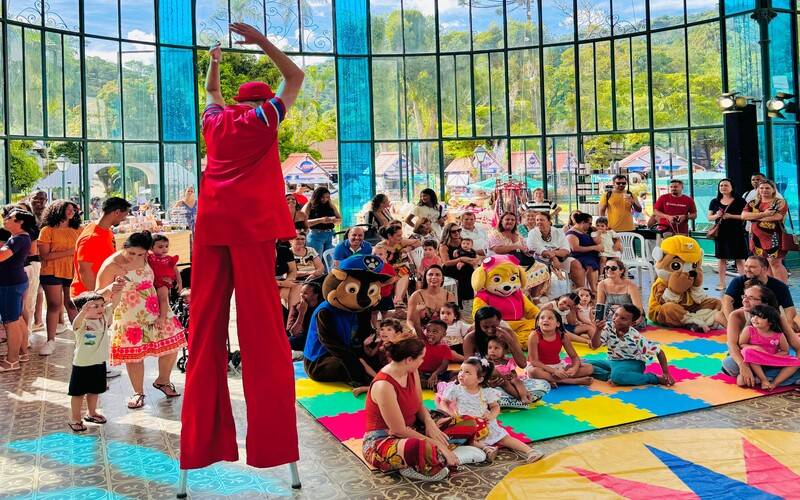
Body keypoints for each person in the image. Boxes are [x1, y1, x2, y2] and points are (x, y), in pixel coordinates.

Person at [179, 22, 304, 471]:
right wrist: (262, 43)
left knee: (205, 327)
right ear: (263, 97)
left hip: (211, 229)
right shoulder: (263, 118)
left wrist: (213, 63)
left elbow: (211, 96)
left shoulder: (218, 121)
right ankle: (272, 448)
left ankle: (201, 446)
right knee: (262, 330)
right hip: (251, 231)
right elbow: (296, 78)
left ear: (238, 99)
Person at [362, 337, 484, 481]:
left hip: (415, 429)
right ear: (409, 359)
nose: (423, 361)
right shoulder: (384, 385)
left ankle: (435, 459)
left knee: (469, 423)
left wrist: (429, 423)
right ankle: (443, 455)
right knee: (419, 447)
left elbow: (419, 403)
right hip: (385, 440)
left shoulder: (411, 371)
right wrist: (438, 443)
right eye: (421, 358)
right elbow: (398, 430)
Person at [97, 231, 186, 407]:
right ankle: (138, 392)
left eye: (140, 254)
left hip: (156, 308)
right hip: (128, 314)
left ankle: (163, 380)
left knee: (172, 346)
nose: (135, 257)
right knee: (134, 356)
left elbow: (163, 275)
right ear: (124, 246)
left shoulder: (150, 259)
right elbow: (97, 294)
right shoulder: (111, 265)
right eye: (131, 253)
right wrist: (111, 288)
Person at [438, 357, 544, 463]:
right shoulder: (456, 389)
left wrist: (491, 416)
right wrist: (450, 414)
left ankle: (530, 451)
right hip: (464, 423)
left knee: (504, 438)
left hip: (484, 423)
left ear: (479, 379)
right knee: (466, 439)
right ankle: (487, 448)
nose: (461, 374)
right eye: (461, 370)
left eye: (467, 372)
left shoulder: (486, 392)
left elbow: (495, 407)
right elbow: (444, 402)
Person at [720, 283, 800, 387]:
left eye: (751, 298)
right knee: (729, 364)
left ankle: (767, 379)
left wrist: (795, 363)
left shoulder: (775, 317)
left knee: (795, 362)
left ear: (764, 303)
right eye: (744, 296)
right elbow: (733, 345)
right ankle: (776, 378)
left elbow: (796, 345)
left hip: (772, 358)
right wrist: (743, 366)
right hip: (749, 359)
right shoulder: (736, 315)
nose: (745, 300)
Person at [67, 287, 124, 431]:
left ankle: (91, 413)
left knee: (94, 390)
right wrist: (83, 312)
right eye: (95, 306)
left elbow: (115, 302)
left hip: (99, 362)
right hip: (82, 364)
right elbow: (75, 324)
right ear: (83, 309)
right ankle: (75, 418)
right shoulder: (82, 324)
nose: (101, 308)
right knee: (78, 393)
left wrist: (118, 289)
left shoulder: (103, 318)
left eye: (102, 305)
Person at [588, 304, 675, 386]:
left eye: (623, 319)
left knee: (617, 376)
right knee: (583, 363)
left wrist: (666, 373)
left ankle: (653, 378)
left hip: (633, 363)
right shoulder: (608, 327)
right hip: (613, 361)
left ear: (632, 323)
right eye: (616, 315)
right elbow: (595, 345)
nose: (616, 319)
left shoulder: (635, 337)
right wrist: (598, 330)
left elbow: (659, 352)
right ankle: (611, 377)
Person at [38, 200, 82, 356]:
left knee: (72, 304)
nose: (71, 212)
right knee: (54, 305)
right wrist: (70, 252)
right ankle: (50, 340)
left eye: (73, 209)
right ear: (58, 210)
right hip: (51, 271)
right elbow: (45, 255)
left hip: (72, 271)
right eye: (67, 209)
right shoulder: (47, 230)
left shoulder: (78, 230)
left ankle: (80, 340)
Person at [0, 208, 37, 372]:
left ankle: (12, 360)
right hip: (16, 281)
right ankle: (22, 353)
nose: (6, 219)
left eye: (10, 218)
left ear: (20, 222)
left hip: (10, 283)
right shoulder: (21, 238)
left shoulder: (17, 239)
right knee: (17, 318)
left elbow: (2, 256)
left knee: (11, 321)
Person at [721, 256, 797, 330]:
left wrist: (790, 326)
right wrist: (731, 323)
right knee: (720, 315)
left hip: (768, 319)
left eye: (752, 267)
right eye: (746, 266)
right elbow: (726, 301)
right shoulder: (738, 281)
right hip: (743, 317)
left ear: (764, 269)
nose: (747, 269)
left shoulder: (780, 286)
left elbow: (789, 309)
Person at [737, 304, 800, 391]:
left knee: (797, 362)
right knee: (747, 353)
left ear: (770, 322)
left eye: (760, 317)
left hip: (771, 359)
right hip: (754, 361)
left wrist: (773, 356)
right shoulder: (749, 330)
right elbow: (742, 344)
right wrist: (755, 348)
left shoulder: (778, 335)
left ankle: (774, 383)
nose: (754, 319)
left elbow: (785, 351)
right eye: (753, 316)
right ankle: (764, 380)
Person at [525, 309, 594, 386]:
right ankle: (571, 381)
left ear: (558, 324)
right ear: (538, 323)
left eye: (550, 318)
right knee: (533, 372)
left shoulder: (562, 336)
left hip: (558, 366)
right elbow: (534, 361)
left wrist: (574, 369)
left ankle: (550, 380)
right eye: (542, 318)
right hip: (540, 367)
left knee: (589, 368)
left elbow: (574, 357)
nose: (545, 320)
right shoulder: (534, 336)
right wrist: (553, 371)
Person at [741, 179, 789, 282]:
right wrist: (764, 214)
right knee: (764, 263)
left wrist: (754, 217)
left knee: (775, 263)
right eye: (761, 188)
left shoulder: (779, 202)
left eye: (767, 188)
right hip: (756, 237)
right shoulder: (753, 202)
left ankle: (782, 288)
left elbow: (777, 217)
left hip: (774, 237)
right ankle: (771, 287)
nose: (764, 190)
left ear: (773, 189)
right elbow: (744, 216)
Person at [707, 178, 748, 290]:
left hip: (736, 232)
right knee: (721, 258)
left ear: (732, 187)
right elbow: (709, 217)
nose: (723, 187)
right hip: (721, 233)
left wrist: (731, 216)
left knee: (739, 258)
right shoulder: (714, 201)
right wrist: (717, 215)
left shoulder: (740, 201)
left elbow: (745, 216)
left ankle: (745, 283)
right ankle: (721, 283)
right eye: (721, 186)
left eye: (726, 185)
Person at [407, 265, 456, 338]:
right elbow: (409, 320)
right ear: (425, 278)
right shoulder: (416, 296)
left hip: (444, 334)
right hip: (423, 334)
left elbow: (454, 318)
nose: (433, 277)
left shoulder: (449, 296)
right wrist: (414, 330)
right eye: (430, 274)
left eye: (437, 275)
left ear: (442, 279)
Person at [596, 258, 646, 329]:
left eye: (613, 268)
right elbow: (600, 306)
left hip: (631, 315)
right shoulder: (602, 284)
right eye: (607, 268)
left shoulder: (630, 285)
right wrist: (598, 320)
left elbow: (638, 310)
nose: (609, 270)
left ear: (621, 271)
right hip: (612, 315)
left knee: (621, 326)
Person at [527, 212, 576, 280]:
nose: (539, 222)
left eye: (542, 220)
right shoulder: (532, 233)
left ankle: (580, 289)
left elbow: (566, 250)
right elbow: (534, 248)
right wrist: (553, 258)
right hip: (539, 260)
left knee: (575, 263)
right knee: (541, 267)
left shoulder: (558, 232)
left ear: (549, 222)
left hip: (560, 258)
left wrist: (554, 254)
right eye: (537, 220)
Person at [439, 223, 478, 308]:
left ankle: (468, 298)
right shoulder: (444, 245)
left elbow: (472, 253)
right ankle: (463, 300)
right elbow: (446, 263)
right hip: (450, 267)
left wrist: (473, 260)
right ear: (448, 233)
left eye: (458, 230)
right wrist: (460, 259)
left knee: (469, 269)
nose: (457, 233)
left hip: (464, 265)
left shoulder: (463, 241)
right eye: (453, 231)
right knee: (466, 271)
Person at [381, 224, 420, 306]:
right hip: (387, 271)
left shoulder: (401, 242)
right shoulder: (380, 247)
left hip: (404, 268)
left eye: (401, 235)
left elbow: (418, 242)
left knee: (411, 275)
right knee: (404, 273)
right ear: (389, 236)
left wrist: (408, 248)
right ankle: (398, 300)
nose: (401, 237)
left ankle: (400, 300)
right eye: (398, 235)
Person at [147, 234, 182, 326]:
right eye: (160, 247)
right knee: (154, 299)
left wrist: (179, 283)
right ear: (151, 248)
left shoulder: (169, 259)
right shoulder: (149, 257)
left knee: (163, 298)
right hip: (152, 282)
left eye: (166, 246)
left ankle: (162, 317)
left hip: (164, 281)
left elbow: (176, 272)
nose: (164, 249)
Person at [485, 337, 533, 403]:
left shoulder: (508, 362)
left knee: (517, 380)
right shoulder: (487, 363)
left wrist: (513, 376)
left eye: (496, 348)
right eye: (490, 348)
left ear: (504, 351)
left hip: (510, 381)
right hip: (499, 383)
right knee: (503, 383)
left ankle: (524, 396)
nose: (492, 351)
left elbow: (514, 373)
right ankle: (518, 398)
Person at [565, 212, 602, 293]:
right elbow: (575, 248)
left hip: (593, 254)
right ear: (582, 222)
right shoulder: (571, 234)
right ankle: (594, 290)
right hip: (580, 256)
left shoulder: (588, 230)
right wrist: (594, 247)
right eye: (589, 223)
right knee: (591, 265)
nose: (591, 225)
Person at [286, 280, 323, 357]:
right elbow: (293, 333)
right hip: (306, 337)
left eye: (305, 293)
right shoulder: (296, 307)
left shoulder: (322, 306)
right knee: (290, 341)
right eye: (301, 293)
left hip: (321, 336)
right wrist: (301, 313)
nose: (301, 296)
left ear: (315, 295)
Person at [418, 320, 457, 389]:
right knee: (413, 378)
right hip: (421, 374)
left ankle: (438, 384)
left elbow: (444, 365)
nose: (430, 334)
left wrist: (435, 374)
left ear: (443, 334)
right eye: (428, 331)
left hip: (438, 374)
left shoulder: (445, 348)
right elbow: (416, 325)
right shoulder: (423, 342)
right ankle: (437, 385)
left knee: (458, 374)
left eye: (434, 332)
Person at [304, 186, 342, 257]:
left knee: (329, 262)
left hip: (329, 235)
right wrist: (320, 220)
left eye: (327, 197)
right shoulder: (309, 205)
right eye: (322, 197)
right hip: (315, 235)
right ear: (317, 197)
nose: (325, 199)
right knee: (317, 260)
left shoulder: (330, 205)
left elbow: (340, 220)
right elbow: (304, 223)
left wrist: (334, 220)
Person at [276, 240, 301, 309]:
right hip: (263, 283)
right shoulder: (257, 251)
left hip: (281, 280)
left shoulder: (284, 250)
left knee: (296, 287)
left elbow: (293, 270)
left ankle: (291, 315)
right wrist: (282, 284)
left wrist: (288, 281)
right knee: (284, 293)